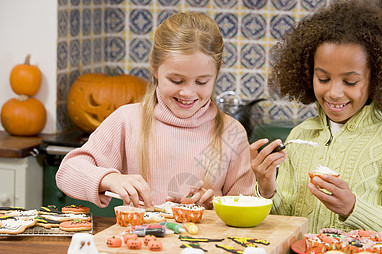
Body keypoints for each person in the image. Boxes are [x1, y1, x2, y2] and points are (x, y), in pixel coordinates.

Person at [250, 0, 382, 239]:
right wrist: (266, 188)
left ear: (376, 79)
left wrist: (353, 208)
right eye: (323, 79)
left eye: (350, 82)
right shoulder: (301, 135)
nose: (334, 92)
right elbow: (284, 222)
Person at [56, 12, 255, 209]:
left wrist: (215, 206)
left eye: (202, 81)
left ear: (217, 72)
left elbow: (246, 208)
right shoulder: (128, 121)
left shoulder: (231, 132)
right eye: (176, 80)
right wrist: (110, 178)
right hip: (139, 240)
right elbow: (67, 173)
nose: (187, 92)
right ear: (154, 67)